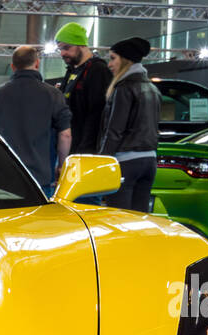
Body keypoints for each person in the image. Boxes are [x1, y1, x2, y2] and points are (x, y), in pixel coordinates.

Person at [0, 45, 71, 192]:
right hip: (40, 178)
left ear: (13, 66)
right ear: (37, 63)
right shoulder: (53, 94)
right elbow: (65, 135)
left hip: (3, 176)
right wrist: (61, 167)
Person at [98, 36, 161, 212]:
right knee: (139, 219)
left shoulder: (124, 88)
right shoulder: (152, 89)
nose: (109, 64)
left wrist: (102, 162)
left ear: (125, 60)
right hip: (149, 162)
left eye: (112, 58)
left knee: (119, 219)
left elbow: (114, 130)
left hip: (126, 162)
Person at [54, 22, 107, 154]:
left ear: (81, 45)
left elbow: (96, 114)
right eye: (60, 49)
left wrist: (85, 150)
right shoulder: (72, 70)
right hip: (70, 145)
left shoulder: (97, 70)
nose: (62, 53)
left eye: (66, 48)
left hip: (84, 149)